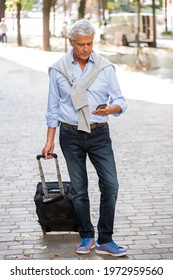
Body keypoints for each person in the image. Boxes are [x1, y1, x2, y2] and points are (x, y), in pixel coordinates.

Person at [42, 19, 128, 257]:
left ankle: (106, 239)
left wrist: (111, 109)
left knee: (111, 185)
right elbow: (52, 109)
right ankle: (87, 236)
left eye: (90, 44)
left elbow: (121, 100)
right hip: (70, 134)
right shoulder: (58, 69)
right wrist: (49, 140)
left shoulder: (105, 67)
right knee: (79, 189)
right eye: (81, 44)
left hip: (99, 133)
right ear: (71, 43)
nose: (86, 49)